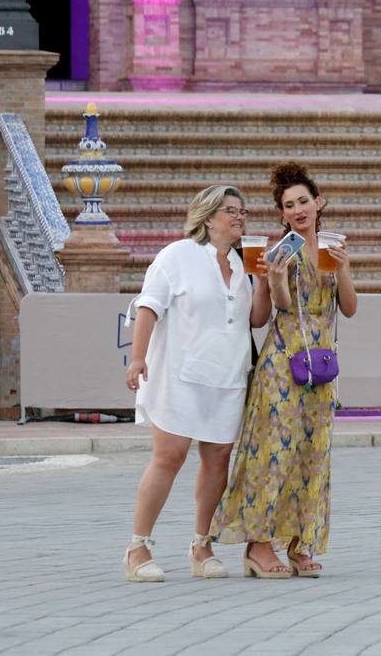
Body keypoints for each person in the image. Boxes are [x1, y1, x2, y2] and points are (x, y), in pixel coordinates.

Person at [211, 162, 358, 578]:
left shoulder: (333, 249)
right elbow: (267, 315)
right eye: (288, 205)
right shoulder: (279, 253)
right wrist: (272, 280)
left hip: (321, 365)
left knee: (312, 455)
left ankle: (298, 542)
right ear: (281, 214)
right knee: (274, 454)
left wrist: (344, 269)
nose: (297, 210)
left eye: (303, 201)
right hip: (282, 362)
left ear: (318, 203)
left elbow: (348, 308)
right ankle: (259, 546)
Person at [122, 184, 260, 582]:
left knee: (218, 459)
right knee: (170, 456)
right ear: (208, 217)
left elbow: (256, 319)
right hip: (179, 373)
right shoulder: (177, 255)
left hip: (228, 375)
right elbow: (149, 306)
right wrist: (137, 358)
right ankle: (138, 547)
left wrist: (266, 278)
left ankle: (202, 545)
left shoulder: (242, 265)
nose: (239, 217)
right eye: (230, 210)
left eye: (242, 211)